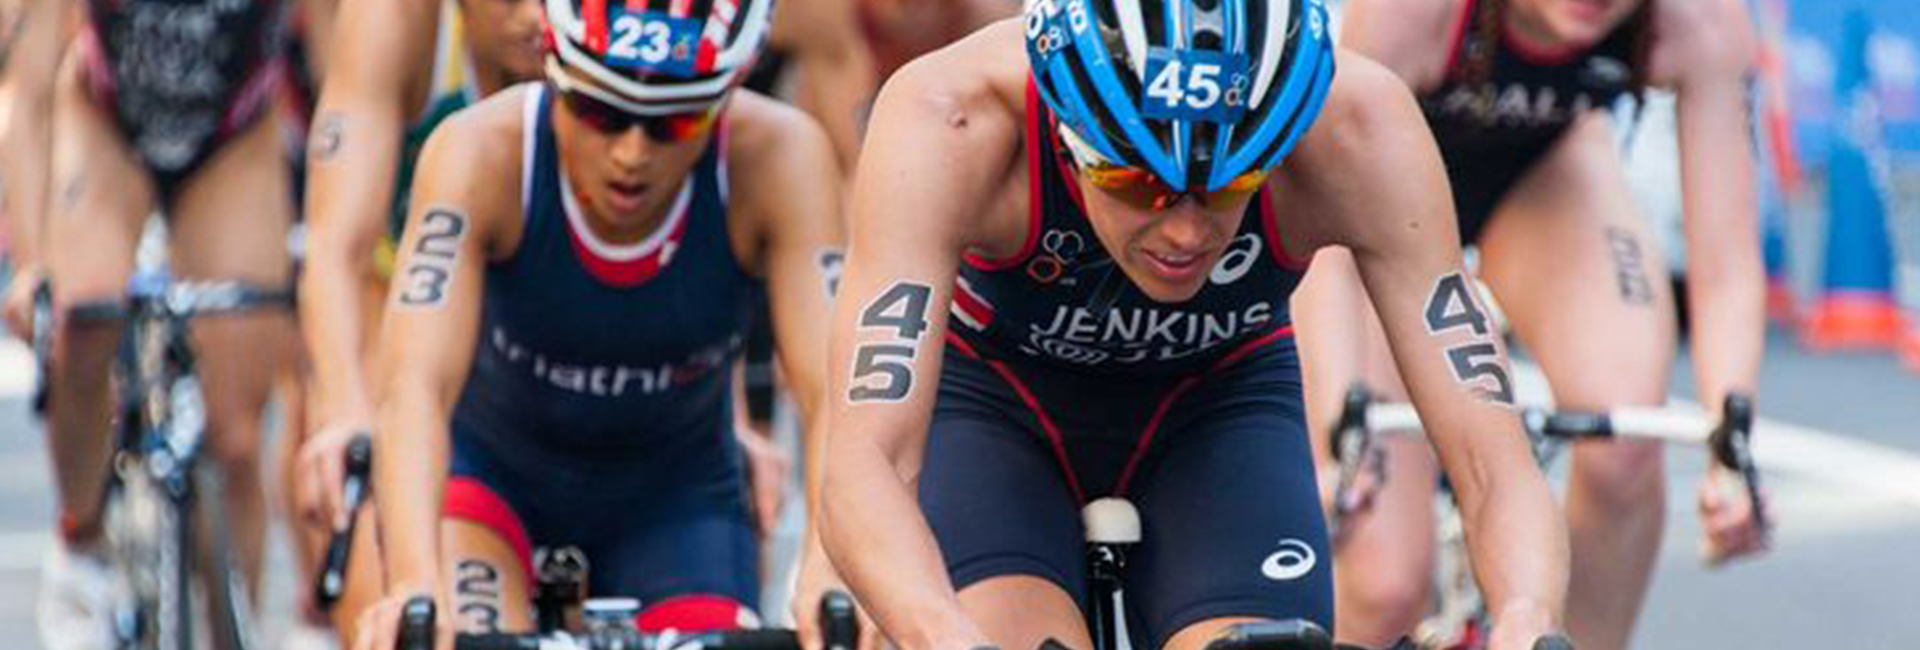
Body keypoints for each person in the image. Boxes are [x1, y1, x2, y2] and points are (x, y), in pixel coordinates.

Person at [808, 1, 1570, 649]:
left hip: (1218, 407)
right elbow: (864, 460)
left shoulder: (1358, 128)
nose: (1184, 232)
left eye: (1233, 182)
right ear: (1069, 138)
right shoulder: (951, 118)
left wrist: (1526, 618)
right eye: (1137, 182)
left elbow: (1492, 460)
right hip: (995, 407)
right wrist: (939, 630)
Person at [344, 0, 845, 647]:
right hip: (492, 481)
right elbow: (414, 386)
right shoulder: (478, 151)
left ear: (726, 100)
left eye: (676, 120)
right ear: (552, 74)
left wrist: (829, 570)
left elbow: (836, 391)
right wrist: (414, 582)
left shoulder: (782, 156)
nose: (632, 152)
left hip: (676, 501)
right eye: (601, 112)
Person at [1295, 0, 1767, 647]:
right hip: (1375, 213)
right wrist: (1337, 428)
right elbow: (1326, 234)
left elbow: (1725, 259)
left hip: (1541, 175)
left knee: (1626, 439)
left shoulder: (1700, 20)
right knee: (1385, 580)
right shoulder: (1410, 13)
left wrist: (1729, 445)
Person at [12, 0, 301, 646]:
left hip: (233, 136)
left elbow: (341, 69)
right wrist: (32, 261)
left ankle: (236, 623)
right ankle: (79, 543)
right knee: (85, 315)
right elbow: (26, 96)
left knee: (235, 439)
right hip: (105, 120)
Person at [285, 0, 542, 638]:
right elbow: (334, 251)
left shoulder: (604, 35)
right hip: (401, 338)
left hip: (552, 348)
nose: (538, 16)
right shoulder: (397, 23)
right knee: (409, 611)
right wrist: (344, 409)